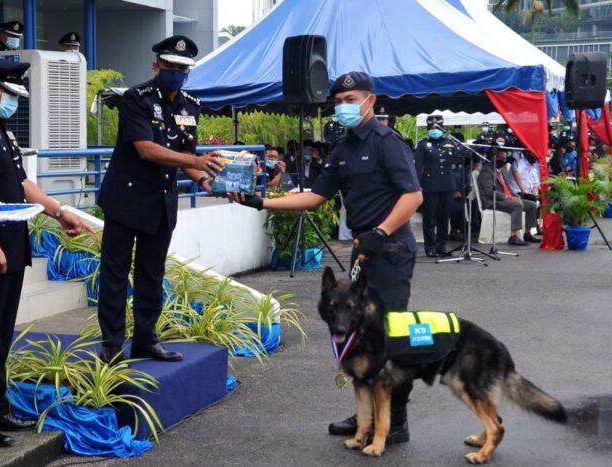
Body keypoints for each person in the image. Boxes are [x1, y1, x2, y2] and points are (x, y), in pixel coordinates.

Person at [232, 71, 422, 444]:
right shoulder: (344, 148)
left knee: (387, 338)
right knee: (359, 338)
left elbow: (413, 196)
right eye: (337, 102)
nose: (343, 108)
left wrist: (381, 231)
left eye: (350, 101)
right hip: (364, 252)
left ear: (370, 100)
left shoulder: (387, 142)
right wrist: (261, 201)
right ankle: (366, 414)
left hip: (390, 250)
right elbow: (316, 195)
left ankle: (396, 420)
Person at [0, 57, 92, 448]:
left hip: (13, 243)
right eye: (7, 93)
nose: (11, 101)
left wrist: (59, 211)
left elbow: (21, 183)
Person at [96, 35, 223, 363]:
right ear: (156, 66)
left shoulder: (190, 106)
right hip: (126, 200)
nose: (177, 72)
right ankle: (112, 343)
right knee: (115, 273)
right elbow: (146, 148)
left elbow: (187, 156)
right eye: (171, 66)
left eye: (183, 68)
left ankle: (146, 339)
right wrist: (194, 163)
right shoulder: (136, 99)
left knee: (151, 274)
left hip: (160, 204)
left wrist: (209, 180)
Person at [415, 114, 459, 257]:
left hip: (447, 185)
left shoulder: (450, 143)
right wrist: (417, 185)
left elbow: (459, 161)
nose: (434, 129)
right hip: (430, 185)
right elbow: (417, 166)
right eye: (432, 127)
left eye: (437, 127)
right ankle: (430, 246)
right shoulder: (423, 145)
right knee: (430, 218)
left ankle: (442, 245)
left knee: (444, 217)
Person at [478, 149, 541, 246]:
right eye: (500, 158)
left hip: (507, 198)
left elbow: (507, 186)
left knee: (532, 205)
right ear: (493, 158)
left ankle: (527, 233)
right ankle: (513, 236)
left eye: (504, 158)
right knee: (517, 205)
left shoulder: (502, 170)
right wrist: (509, 197)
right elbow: (490, 192)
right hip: (493, 201)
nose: (503, 160)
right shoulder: (486, 171)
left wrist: (514, 195)